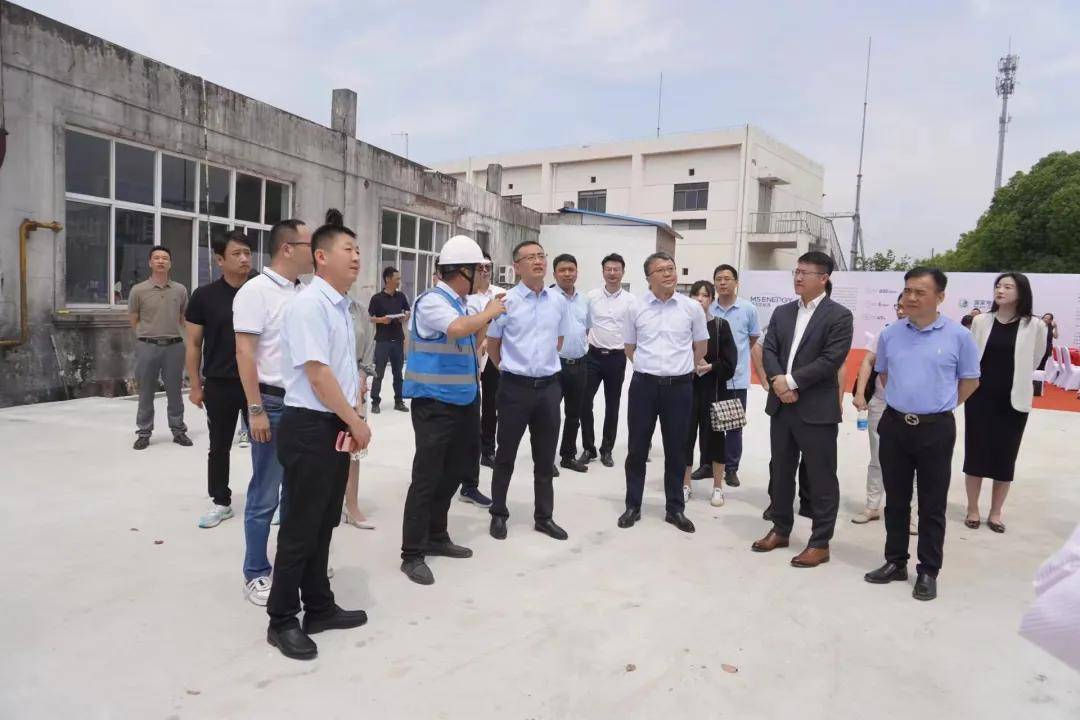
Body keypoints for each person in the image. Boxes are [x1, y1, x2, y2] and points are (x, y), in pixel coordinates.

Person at [265, 219, 372, 660]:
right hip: (311, 426)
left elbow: (340, 370)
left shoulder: (341, 307)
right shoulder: (309, 305)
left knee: (323, 521)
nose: (357, 257)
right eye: (348, 249)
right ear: (322, 257)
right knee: (299, 527)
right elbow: (317, 374)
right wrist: (355, 421)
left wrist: (351, 414)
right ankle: (281, 619)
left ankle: (319, 607)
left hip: (333, 425)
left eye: (358, 249)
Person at [864, 267, 981, 601]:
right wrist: (907, 402)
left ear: (940, 297)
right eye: (907, 291)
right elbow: (884, 375)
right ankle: (895, 561)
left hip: (936, 429)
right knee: (896, 500)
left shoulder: (959, 336)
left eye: (920, 292)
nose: (911, 298)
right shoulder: (890, 334)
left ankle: (928, 569)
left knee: (931, 503)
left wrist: (939, 406)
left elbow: (970, 381)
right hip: (895, 424)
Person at [400, 235, 505, 584]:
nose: (483, 276)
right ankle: (412, 553)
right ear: (462, 271)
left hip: (462, 401)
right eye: (479, 270)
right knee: (427, 477)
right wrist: (488, 312)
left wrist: (486, 318)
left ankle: (437, 535)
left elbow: (472, 340)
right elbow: (457, 329)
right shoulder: (432, 301)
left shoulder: (461, 304)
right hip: (434, 403)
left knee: (456, 470)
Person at [752, 251, 853, 568]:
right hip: (782, 407)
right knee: (781, 472)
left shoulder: (839, 316)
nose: (797, 277)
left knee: (821, 477)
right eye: (796, 272)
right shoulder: (782, 312)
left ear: (823, 278)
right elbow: (769, 350)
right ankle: (780, 529)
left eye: (804, 273)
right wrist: (778, 383)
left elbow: (830, 360)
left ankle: (820, 543)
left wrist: (791, 382)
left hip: (816, 410)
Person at [234, 218, 313, 606]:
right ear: (287, 248)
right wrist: (255, 409)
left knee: (298, 494)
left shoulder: (304, 292)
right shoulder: (256, 292)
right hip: (272, 404)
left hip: (303, 404)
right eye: (309, 245)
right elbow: (245, 352)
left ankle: (291, 565)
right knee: (265, 493)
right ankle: (255, 571)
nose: (316, 252)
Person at [616, 252, 708, 534]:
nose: (669, 273)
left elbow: (701, 347)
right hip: (644, 386)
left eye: (671, 268)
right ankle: (633, 505)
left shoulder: (691, 308)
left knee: (677, 449)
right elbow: (629, 348)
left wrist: (682, 368)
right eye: (661, 270)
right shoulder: (635, 307)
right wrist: (649, 368)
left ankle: (675, 508)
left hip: (680, 388)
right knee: (637, 448)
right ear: (649, 278)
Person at [488, 240, 571, 542]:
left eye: (541, 256)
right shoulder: (505, 301)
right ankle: (499, 513)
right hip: (514, 389)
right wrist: (509, 369)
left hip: (549, 389)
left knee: (545, 458)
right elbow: (493, 345)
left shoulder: (558, 301)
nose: (538, 261)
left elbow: (558, 341)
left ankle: (544, 517)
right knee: (505, 454)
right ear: (517, 266)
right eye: (530, 257)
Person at [963, 273, 1047, 533]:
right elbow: (971, 356)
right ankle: (972, 508)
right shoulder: (981, 321)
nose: (1000, 290)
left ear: (1021, 293)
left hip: (1013, 400)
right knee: (975, 454)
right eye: (998, 286)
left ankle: (996, 512)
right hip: (980, 397)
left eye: (1008, 287)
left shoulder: (1035, 325)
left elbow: (1036, 358)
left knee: (1005, 457)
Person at [184, 230, 253, 529]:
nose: (244, 259)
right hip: (220, 383)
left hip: (258, 383)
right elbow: (193, 344)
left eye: (247, 253)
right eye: (237, 254)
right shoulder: (204, 296)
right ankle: (221, 501)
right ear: (220, 260)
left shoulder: (261, 290)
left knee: (267, 445)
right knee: (219, 446)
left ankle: (270, 498)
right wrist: (195, 385)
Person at [852, 292, 918, 532]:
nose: (901, 311)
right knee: (878, 457)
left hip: (913, 407)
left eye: (905, 306)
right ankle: (872, 506)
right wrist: (860, 393)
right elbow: (868, 361)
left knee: (911, 462)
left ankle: (910, 514)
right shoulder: (886, 332)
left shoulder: (925, 335)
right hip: (881, 402)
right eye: (898, 306)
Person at [128, 246, 192, 449]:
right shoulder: (138, 290)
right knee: (146, 392)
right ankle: (144, 432)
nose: (161, 261)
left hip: (174, 346)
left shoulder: (180, 290)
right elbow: (133, 318)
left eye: (165, 258)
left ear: (170, 263)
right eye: (156, 258)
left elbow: (184, 318)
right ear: (150, 263)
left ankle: (178, 430)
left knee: (175, 392)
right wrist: (144, 336)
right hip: (147, 346)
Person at [704, 265, 761, 486]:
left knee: (733, 425)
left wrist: (735, 359)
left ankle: (731, 468)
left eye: (727, 278)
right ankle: (707, 464)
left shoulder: (748, 309)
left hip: (736, 377)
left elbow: (752, 339)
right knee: (707, 423)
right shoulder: (709, 308)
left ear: (736, 282)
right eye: (718, 279)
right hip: (710, 377)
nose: (722, 283)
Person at [682, 281, 737, 507]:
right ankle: (685, 485)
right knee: (685, 439)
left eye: (705, 295)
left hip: (714, 391)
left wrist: (711, 367)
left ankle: (717, 487)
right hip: (686, 390)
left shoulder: (721, 326)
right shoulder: (682, 325)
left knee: (716, 440)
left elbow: (730, 363)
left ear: (712, 300)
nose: (699, 299)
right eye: (695, 295)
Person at [579, 254, 636, 468]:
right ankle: (588, 448)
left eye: (616, 269)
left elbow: (634, 330)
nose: (612, 273)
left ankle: (607, 449)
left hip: (616, 358)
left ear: (623, 272)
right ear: (603, 271)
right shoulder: (591, 297)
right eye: (608, 269)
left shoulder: (631, 301)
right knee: (585, 402)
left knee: (613, 405)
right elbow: (584, 325)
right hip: (592, 356)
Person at [463, 251, 506, 499]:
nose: (484, 271)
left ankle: (488, 450)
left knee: (491, 406)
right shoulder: (465, 297)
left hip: (492, 358)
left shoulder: (501, 294)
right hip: (470, 358)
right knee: (470, 410)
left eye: (488, 267)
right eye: (480, 267)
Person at [553, 254, 591, 474]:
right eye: (562, 270)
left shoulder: (584, 299)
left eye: (571, 270)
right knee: (550, 415)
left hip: (579, 364)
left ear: (577, 272)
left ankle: (568, 456)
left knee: (574, 414)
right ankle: (546, 459)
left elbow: (586, 329)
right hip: (555, 365)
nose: (567, 274)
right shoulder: (548, 298)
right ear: (555, 273)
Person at [342, 293, 377, 530]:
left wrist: (362, 378)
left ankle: (351, 505)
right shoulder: (309, 302)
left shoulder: (358, 309)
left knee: (352, 446)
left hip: (355, 383)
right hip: (321, 382)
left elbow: (368, 348)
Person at [367, 266, 411, 414]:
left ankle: (399, 401)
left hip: (398, 339)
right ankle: (375, 402)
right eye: (397, 278)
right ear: (387, 279)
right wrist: (381, 320)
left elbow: (407, 311)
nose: (399, 281)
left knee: (398, 373)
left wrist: (405, 317)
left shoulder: (401, 296)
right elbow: (370, 318)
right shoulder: (377, 299)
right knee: (378, 373)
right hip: (383, 340)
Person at [1035, 313, 1057, 396]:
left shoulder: (1051, 327)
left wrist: (1056, 327)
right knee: (1036, 364)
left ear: (1051, 320)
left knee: (1042, 365)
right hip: (1038, 348)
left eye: (1048, 318)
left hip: (1047, 349)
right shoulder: (1038, 326)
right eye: (1045, 318)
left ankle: (1040, 382)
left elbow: (1056, 336)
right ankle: (1034, 381)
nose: (1046, 319)